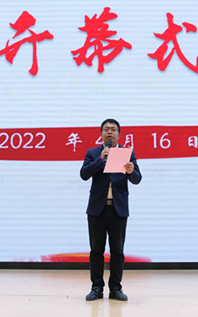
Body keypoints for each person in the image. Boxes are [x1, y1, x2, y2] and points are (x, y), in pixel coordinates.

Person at [80, 118, 142, 301]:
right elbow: (84, 174)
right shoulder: (93, 153)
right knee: (96, 251)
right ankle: (96, 288)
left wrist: (131, 171)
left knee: (117, 251)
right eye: (106, 129)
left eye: (113, 129)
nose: (109, 132)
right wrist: (100, 160)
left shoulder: (127, 153)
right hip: (97, 209)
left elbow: (137, 178)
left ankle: (115, 288)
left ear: (119, 134)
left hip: (118, 209)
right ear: (101, 133)